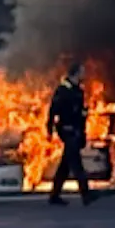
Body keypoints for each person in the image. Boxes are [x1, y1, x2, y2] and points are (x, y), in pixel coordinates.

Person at [46, 63, 96, 207]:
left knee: (65, 165)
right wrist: (49, 128)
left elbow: (80, 115)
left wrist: (83, 132)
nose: (84, 75)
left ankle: (54, 195)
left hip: (76, 130)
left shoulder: (78, 91)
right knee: (76, 163)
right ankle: (86, 194)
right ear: (75, 73)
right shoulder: (63, 90)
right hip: (67, 130)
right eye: (82, 72)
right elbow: (53, 110)